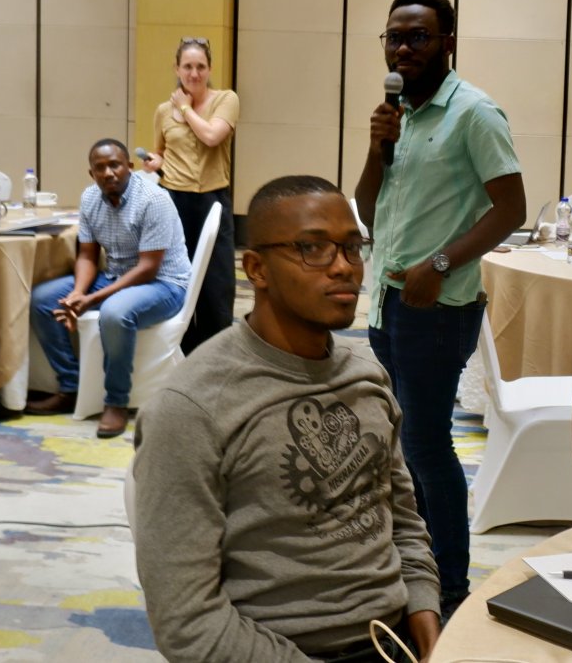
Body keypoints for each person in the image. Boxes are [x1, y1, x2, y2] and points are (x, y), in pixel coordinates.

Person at [134, 175, 441, 662]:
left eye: (352, 247)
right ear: (256, 268)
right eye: (312, 248)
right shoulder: (193, 406)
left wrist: (426, 612)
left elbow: (401, 516)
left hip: (395, 639)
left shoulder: (366, 375)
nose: (343, 268)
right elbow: (187, 622)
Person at [354, 0, 525, 614]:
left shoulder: (474, 114)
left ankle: (452, 588)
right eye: (395, 36)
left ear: (448, 41)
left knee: (427, 444)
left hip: (438, 307)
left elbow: (511, 209)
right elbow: (367, 208)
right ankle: (416, 568)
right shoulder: (397, 116)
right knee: (401, 444)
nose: (404, 47)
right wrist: (379, 145)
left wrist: (443, 263)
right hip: (386, 306)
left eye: (419, 36)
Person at [26, 139, 189, 438]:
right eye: (100, 168)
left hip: (164, 284)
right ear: (91, 174)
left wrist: (93, 299)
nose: (108, 173)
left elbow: (148, 267)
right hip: (115, 277)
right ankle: (69, 386)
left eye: (115, 164)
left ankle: (116, 402)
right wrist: (78, 292)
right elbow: (87, 254)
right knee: (40, 300)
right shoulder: (90, 198)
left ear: (129, 166)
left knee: (114, 313)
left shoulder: (154, 199)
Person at [142, 36, 238, 353]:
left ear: (209, 69)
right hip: (173, 201)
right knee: (177, 280)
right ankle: (178, 356)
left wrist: (185, 107)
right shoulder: (162, 112)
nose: (194, 74)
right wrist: (155, 162)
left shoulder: (226, 99)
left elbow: (212, 136)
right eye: (187, 67)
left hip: (212, 201)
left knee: (216, 284)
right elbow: (160, 153)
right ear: (177, 69)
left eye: (200, 67)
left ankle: (214, 357)